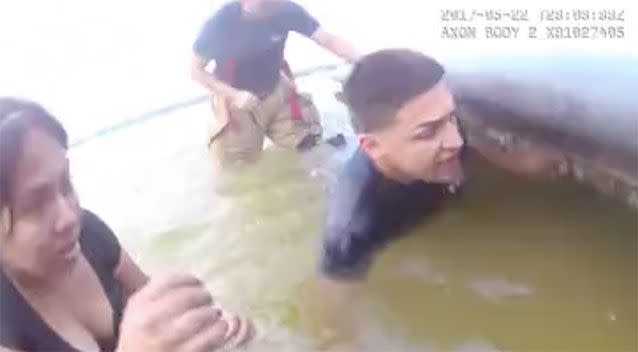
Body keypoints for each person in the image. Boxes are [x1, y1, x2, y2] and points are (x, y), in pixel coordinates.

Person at [315, 49, 568, 349]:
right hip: (401, 228)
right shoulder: (352, 227)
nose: (455, 140)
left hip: (439, 197)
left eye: (450, 118)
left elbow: (469, 145)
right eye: (427, 132)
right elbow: (330, 325)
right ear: (372, 146)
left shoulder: (444, 133)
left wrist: (520, 163)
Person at [0, 98, 253, 352]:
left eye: (66, 183)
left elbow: (150, 298)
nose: (69, 217)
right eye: (35, 204)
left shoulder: (88, 233)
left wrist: (202, 324)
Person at [190, 0, 360, 165]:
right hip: (237, 101)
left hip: (277, 89)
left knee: (310, 148)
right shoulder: (220, 22)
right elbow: (196, 71)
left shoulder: (286, 10)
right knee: (237, 171)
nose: (272, 5)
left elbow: (327, 40)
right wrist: (235, 96)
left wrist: (363, 61)